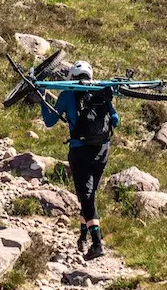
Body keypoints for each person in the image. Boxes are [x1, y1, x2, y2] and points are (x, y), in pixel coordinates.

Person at [39, 59, 119, 260]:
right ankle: (82, 237)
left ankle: (97, 244)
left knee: (86, 196)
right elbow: (116, 120)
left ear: (71, 77)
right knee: (89, 195)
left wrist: (42, 99)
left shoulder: (67, 94)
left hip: (79, 151)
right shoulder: (102, 91)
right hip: (102, 150)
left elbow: (49, 122)